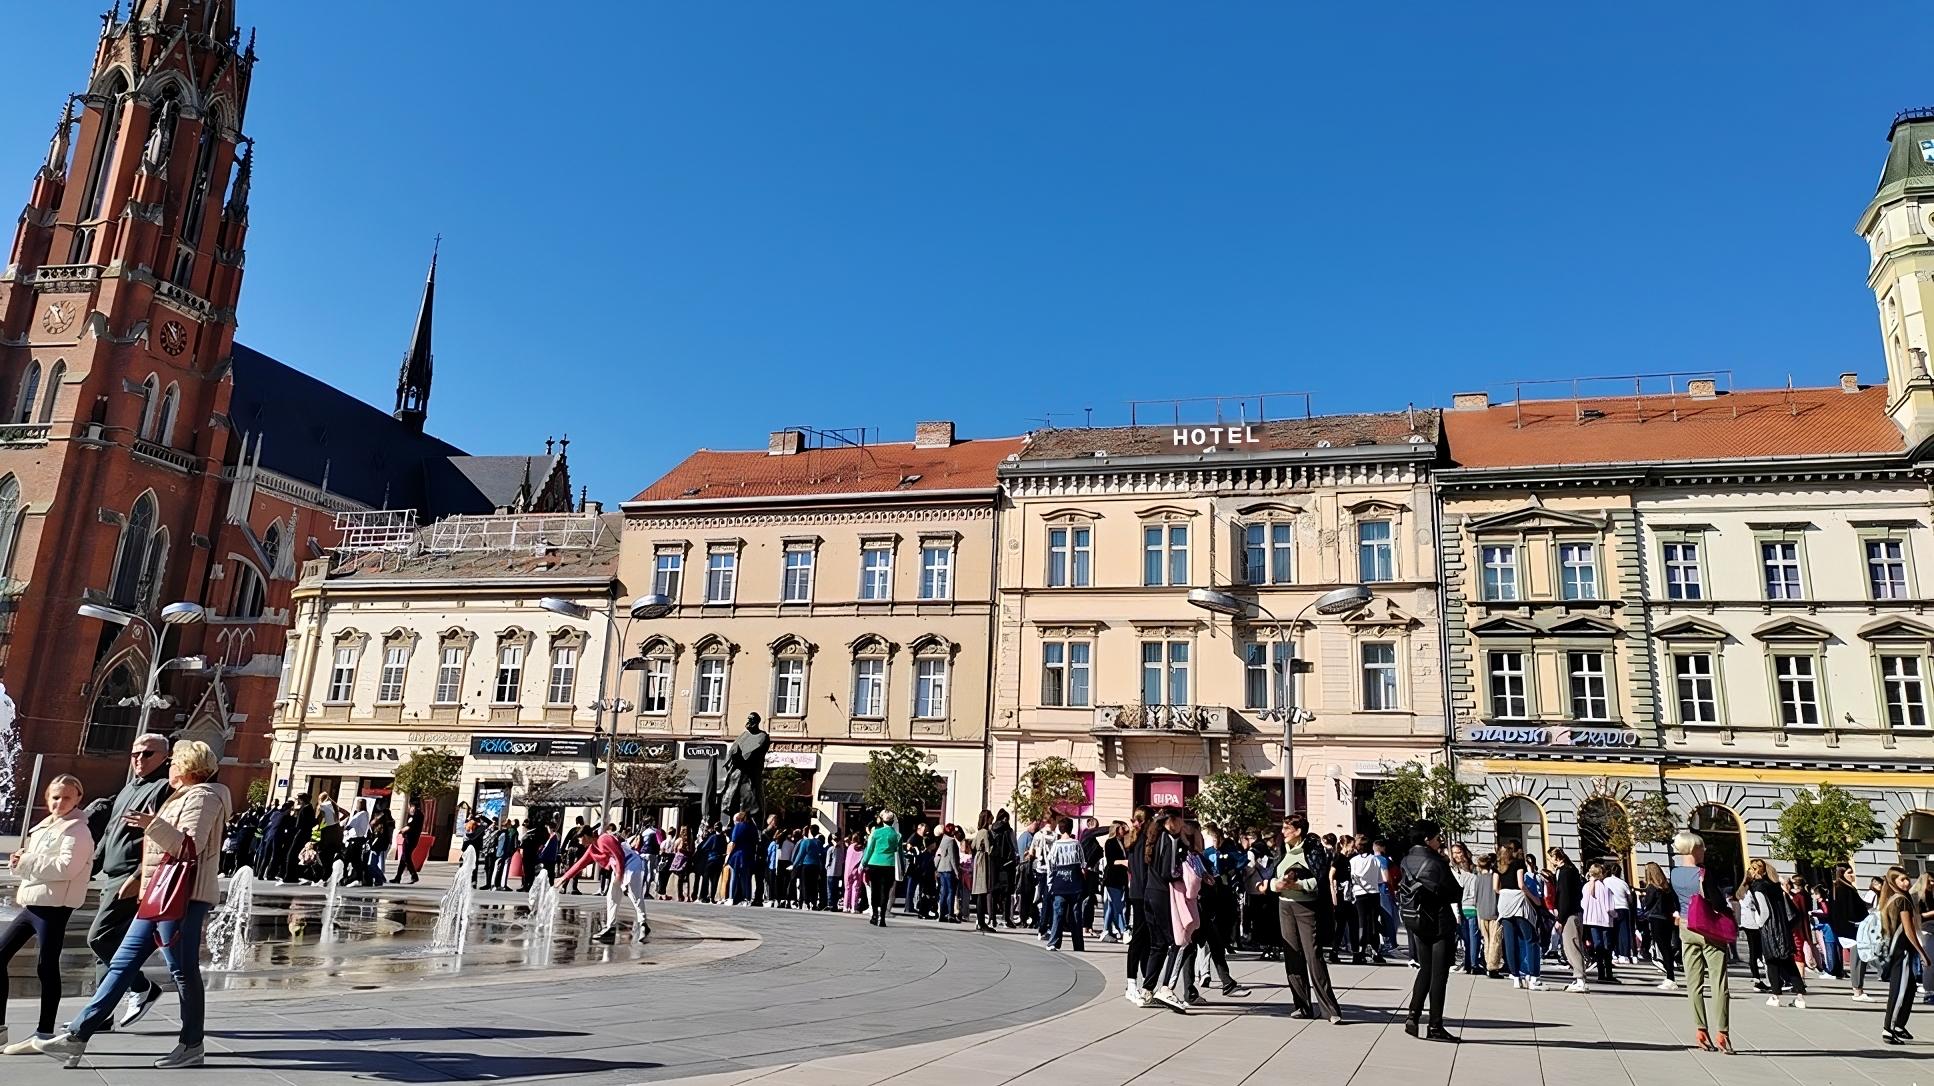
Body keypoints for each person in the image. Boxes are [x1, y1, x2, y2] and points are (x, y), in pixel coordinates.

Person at [35, 740, 232, 1070]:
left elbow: (189, 847)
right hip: (158, 894)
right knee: (122, 964)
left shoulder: (204, 796)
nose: (169, 768)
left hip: (183, 897)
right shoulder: (181, 797)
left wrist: (150, 825)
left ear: (186, 767)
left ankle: (192, 1043)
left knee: (183, 971)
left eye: (174, 763)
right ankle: (78, 1037)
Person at [81, 732, 173, 1031]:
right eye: (135, 753)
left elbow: (159, 838)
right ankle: (100, 1015)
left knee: (99, 938)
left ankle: (142, 986)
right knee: (106, 948)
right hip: (112, 874)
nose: (139, 759)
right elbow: (110, 833)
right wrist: (91, 866)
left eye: (147, 754)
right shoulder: (128, 788)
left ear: (164, 757)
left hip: (131, 878)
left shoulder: (163, 788)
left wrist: (137, 878)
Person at [1, 776, 96, 1054]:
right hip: (33, 904)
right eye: (55, 797)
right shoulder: (44, 827)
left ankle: (43, 1033)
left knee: (47, 967)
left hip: (54, 907)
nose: (59, 802)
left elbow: (67, 868)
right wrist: (18, 863)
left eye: (66, 797)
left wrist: (27, 861)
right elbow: (32, 867)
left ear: (78, 798)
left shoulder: (77, 830)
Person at [1670, 829, 1734, 1054]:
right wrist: (1729, 911)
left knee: (1693, 982)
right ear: (1693, 849)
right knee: (1718, 981)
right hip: (1708, 927)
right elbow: (1716, 902)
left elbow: (1674, 901)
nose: (1704, 850)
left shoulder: (1674, 873)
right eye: (1701, 847)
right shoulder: (1703, 874)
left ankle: (1700, 1030)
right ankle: (1722, 1033)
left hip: (1687, 927)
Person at [1274, 814, 1342, 1023]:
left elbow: (1319, 879)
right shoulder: (1282, 849)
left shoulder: (1312, 850)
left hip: (1306, 907)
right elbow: (1274, 873)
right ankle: (1302, 1005)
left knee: (1313, 955)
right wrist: (1276, 884)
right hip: (1285, 905)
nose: (1283, 832)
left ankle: (1330, 1009)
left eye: (1287, 828)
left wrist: (1298, 885)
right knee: (1292, 954)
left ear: (1298, 831)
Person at [1398, 819, 1458, 1042]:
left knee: (1425, 968)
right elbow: (1454, 892)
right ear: (1427, 839)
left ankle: (1413, 1015)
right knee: (1439, 975)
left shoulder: (1406, 859)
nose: (1438, 841)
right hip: (1439, 921)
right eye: (1436, 837)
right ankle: (1435, 1026)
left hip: (1417, 919)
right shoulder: (1436, 862)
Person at [558, 827, 651, 943]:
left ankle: (643, 924)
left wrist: (619, 875)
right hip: (618, 868)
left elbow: (619, 855)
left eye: (579, 839)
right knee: (612, 896)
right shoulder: (593, 848)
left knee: (634, 894)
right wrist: (564, 877)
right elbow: (580, 864)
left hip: (631, 863)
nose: (579, 842)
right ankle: (610, 927)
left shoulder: (604, 839)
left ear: (585, 837)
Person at [1877, 865, 1932, 1044]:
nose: (1907, 882)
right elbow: (1909, 931)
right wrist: (1923, 954)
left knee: (1909, 989)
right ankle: (1888, 1029)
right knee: (1899, 990)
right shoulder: (1901, 900)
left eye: (1907, 878)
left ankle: (1899, 1025)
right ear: (1893, 881)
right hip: (1902, 951)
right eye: (1902, 879)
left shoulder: (1893, 897)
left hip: (1897, 950)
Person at [1743, 858, 1804, 1008]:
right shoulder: (1775, 886)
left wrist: (1759, 923)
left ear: (1754, 871)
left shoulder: (1758, 887)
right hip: (1783, 927)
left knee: (1772, 962)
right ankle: (1800, 997)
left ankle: (1775, 996)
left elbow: (1764, 911)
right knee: (1789, 963)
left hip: (1770, 929)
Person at [1495, 840, 1544, 990]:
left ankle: (1515, 976)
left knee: (1510, 941)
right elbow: (1521, 884)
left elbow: (1495, 888)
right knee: (1530, 938)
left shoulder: (1498, 867)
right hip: (1518, 902)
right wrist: (1534, 899)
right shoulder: (1518, 864)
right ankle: (1533, 975)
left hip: (1504, 902)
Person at [1547, 847, 1589, 992]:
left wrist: (1560, 918)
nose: (1550, 861)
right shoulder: (1570, 870)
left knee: (1572, 945)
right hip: (1574, 912)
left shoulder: (1565, 872)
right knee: (1572, 945)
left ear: (1556, 857)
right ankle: (1578, 977)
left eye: (1550, 858)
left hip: (1570, 914)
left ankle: (1580, 978)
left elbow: (1564, 896)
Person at [1044, 817, 1086, 952]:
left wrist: (1050, 883)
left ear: (1060, 829)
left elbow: (1051, 865)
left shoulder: (1056, 845)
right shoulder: (1076, 843)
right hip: (1075, 883)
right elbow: (1083, 863)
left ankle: (1054, 942)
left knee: (1058, 913)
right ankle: (1078, 944)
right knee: (1076, 914)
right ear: (1071, 828)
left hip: (1059, 883)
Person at [1639, 861, 1680, 989]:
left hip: (1656, 918)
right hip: (1667, 918)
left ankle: (1670, 977)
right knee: (1667, 946)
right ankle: (1670, 974)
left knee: (1662, 947)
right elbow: (1674, 903)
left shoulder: (1652, 888)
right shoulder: (1667, 887)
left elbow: (1648, 904)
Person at [1349, 834, 1385, 964]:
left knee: (1361, 923)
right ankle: (1375, 951)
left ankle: (1360, 951)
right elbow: (1381, 879)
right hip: (1374, 893)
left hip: (1359, 894)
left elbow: (1353, 878)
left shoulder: (1353, 861)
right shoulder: (1376, 860)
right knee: (1374, 923)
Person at [1582, 862, 1618, 986]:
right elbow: (1610, 908)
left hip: (1591, 920)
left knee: (1598, 947)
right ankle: (1609, 974)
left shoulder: (1586, 886)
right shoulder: (1605, 888)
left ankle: (1600, 973)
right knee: (1607, 948)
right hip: (1605, 920)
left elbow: (1583, 905)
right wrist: (1616, 915)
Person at [863, 811, 901, 926]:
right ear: (892, 821)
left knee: (875, 889)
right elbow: (900, 853)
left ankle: (874, 915)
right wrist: (902, 867)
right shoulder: (897, 835)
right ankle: (883, 917)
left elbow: (870, 849)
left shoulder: (876, 833)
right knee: (885, 891)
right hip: (889, 864)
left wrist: (864, 862)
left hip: (875, 863)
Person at [1449, 843, 1481, 974]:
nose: (1457, 855)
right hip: (1464, 907)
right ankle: (1472, 964)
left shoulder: (1467, 871)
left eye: (1459, 852)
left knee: (1469, 939)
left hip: (1468, 906)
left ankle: (1470, 963)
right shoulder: (1461, 871)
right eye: (1454, 853)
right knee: (1471, 939)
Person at [1473, 852, 1503, 977]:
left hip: (1482, 911)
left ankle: (1487, 963)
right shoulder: (1495, 877)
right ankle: (1493, 966)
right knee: (1495, 940)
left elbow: (1476, 896)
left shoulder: (1478, 878)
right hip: (1494, 911)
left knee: (1486, 939)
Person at [969, 810, 996, 931]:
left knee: (981, 892)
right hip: (983, 862)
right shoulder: (985, 832)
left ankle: (980, 922)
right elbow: (989, 849)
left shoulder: (979, 832)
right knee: (982, 891)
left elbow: (973, 845)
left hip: (979, 859)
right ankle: (981, 922)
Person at [725, 811, 758, 905]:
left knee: (734, 877)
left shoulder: (738, 826)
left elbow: (734, 841)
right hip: (749, 854)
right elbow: (755, 841)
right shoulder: (752, 827)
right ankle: (747, 899)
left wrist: (728, 855)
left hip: (737, 855)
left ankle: (731, 898)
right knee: (746, 878)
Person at [935, 823, 962, 922]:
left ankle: (942, 914)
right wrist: (957, 871)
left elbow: (939, 854)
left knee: (944, 892)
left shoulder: (943, 840)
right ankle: (950, 914)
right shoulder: (951, 841)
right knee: (951, 892)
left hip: (942, 869)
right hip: (949, 869)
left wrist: (936, 867)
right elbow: (952, 857)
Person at [392, 801, 423, 884]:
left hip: (410, 839)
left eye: (410, 807)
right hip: (412, 838)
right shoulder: (418, 814)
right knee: (403, 858)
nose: (409, 809)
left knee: (406, 857)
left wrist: (402, 830)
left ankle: (414, 875)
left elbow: (410, 826)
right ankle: (398, 877)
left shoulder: (416, 815)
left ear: (413, 806)